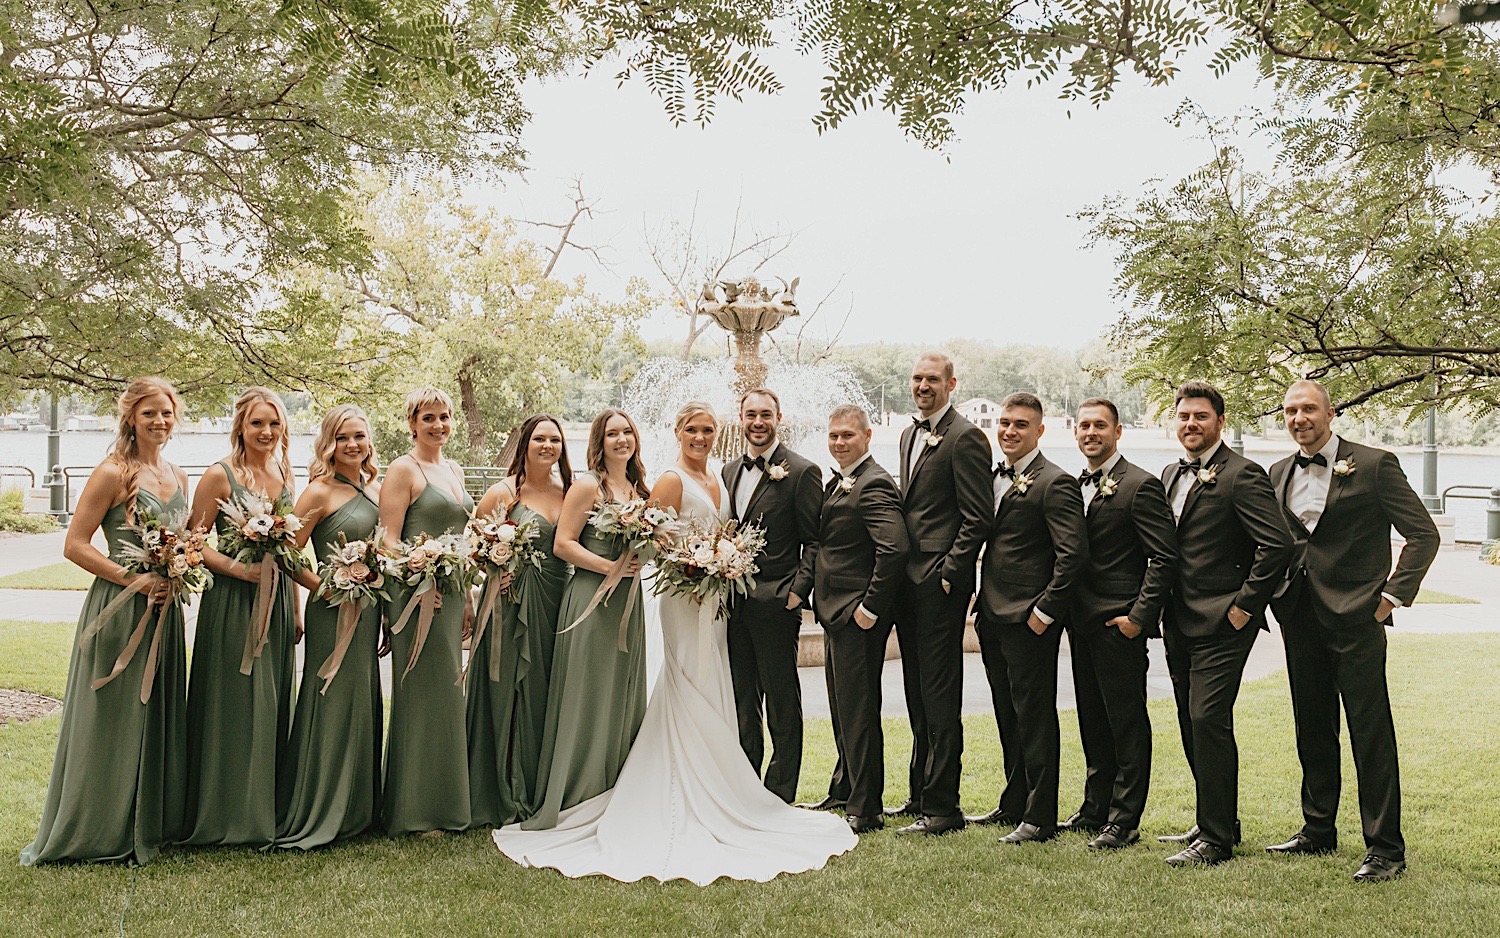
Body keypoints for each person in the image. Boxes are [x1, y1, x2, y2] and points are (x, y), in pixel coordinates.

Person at [493, 402, 856, 884]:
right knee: (688, 680)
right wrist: (693, 563)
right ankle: (681, 785)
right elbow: (656, 545)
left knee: (717, 682)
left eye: (708, 429)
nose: (701, 436)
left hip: (716, 599)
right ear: (677, 431)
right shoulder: (667, 480)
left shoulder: (721, 477)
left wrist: (721, 561)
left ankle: (726, 781)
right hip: (686, 600)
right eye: (692, 428)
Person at [1265, 379, 1438, 882]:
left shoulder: (1375, 464)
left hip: (1359, 617)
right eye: (1291, 411)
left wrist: (1390, 596)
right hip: (1299, 615)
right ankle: (1318, 829)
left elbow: (1422, 534)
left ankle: (1385, 848)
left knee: (1370, 732)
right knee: (1312, 726)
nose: (1300, 418)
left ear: (1330, 412)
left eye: (1309, 409)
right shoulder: (1277, 472)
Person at [21, 377, 191, 865]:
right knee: (111, 718)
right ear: (130, 418)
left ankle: (149, 821)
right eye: (149, 414)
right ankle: (97, 827)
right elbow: (74, 544)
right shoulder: (113, 472)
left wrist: (180, 566)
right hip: (119, 609)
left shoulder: (177, 473)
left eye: (166, 413)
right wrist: (131, 579)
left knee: (155, 711)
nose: (159, 421)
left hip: (165, 610)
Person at [1158, 381, 1292, 867]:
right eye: (1183, 416)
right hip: (1176, 619)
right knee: (1190, 721)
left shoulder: (1242, 474)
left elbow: (1275, 545)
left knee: (1208, 718)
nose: (1190, 423)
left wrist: (1244, 607)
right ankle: (1216, 818)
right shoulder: (1171, 473)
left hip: (1223, 622)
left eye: (1200, 416)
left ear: (1219, 420)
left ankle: (1217, 841)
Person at [517, 409, 650, 830]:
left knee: (619, 692)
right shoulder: (588, 485)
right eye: (612, 433)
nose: (621, 439)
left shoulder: (638, 489)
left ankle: (614, 785)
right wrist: (608, 567)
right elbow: (563, 544)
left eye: (627, 432)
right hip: (592, 599)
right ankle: (578, 792)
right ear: (600, 441)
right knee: (587, 692)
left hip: (628, 602)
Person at [184, 386, 300, 847]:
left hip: (277, 604)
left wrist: (295, 609)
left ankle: (262, 807)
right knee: (231, 701)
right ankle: (224, 811)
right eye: (257, 423)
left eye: (274, 423)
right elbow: (193, 543)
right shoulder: (219, 475)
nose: (266, 432)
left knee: (269, 700)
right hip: (232, 603)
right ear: (240, 427)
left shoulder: (285, 472)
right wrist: (238, 570)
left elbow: (288, 547)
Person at [973, 392, 1088, 844]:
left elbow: (1072, 555)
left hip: (1029, 620)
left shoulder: (1054, 482)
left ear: (1039, 431)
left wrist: (1045, 611)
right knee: (1007, 712)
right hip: (991, 614)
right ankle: (1015, 800)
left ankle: (1040, 816)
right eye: (1004, 422)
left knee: (1035, 715)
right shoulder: (992, 477)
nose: (1009, 431)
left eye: (1020, 424)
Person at [1065, 397, 1178, 849]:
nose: (1091, 433)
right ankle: (1095, 807)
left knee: (1125, 722)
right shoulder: (1075, 485)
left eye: (1100, 426)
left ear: (1117, 432)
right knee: (1092, 719)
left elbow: (1164, 557)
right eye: (1084, 426)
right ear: (1075, 432)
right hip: (1081, 622)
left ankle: (1125, 819)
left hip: (1119, 624)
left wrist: (1138, 618)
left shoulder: (1140, 485)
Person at [890, 352, 993, 836]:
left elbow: (978, 516)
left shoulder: (966, 436)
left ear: (952, 383)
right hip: (907, 585)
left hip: (938, 586)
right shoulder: (911, 433)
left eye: (932, 379)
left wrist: (949, 573)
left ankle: (944, 808)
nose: (923, 385)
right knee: (916, 691)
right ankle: (919, 793)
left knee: (939, 693)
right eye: (917, 378)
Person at [275, 404, 383, 850]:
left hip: (371, 607)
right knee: (330, 696)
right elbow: (286, 551)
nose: (352, 445)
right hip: (332, 609)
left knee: (363, 696)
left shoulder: (378, 488)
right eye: (342, 438)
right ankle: (318, 805)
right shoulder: (318, 491)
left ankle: (359, 807)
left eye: (359, 436)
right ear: (328, 445)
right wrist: (324, 586)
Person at [467, 414, 572, 828]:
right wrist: (493, 572)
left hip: (555, 604)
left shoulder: (569, 494)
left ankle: (538, 783)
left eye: (555, 440)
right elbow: (470, 546)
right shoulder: (503, 493)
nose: (548, 446)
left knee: (545, 690)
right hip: (509, 606)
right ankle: (497, 790)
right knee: (505, 687)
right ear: (524, 444)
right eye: (540, 439)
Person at [378, 387, 474, 836]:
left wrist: (468, 597)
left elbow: (463, 539)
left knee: (447, 695)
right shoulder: (403, 469)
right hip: (416, 595)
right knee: (422, 695)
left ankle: (444, 802)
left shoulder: (452, 468)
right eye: (429, 417)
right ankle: (414, 810)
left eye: (445, 417)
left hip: (452, 595)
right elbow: (388, 539)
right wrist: (418, 580)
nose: (438, 425)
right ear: (412, 422)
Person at [811, 405, 909, 833]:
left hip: (856, 615)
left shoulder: (873, 484)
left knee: (860, 710)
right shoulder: (842, 480)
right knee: (842, 706)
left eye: (847, 435)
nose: (838, 442)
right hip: (836, 615)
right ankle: (845, 786)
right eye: (833, 436)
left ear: (867, 436)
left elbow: (895, 548)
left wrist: (869, 607)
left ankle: (866, 808)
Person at [721, 389, 821, 803]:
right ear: (740, 418)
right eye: (750, 415)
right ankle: (747, 787)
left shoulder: (802, 471)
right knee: (743, 699)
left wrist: (796, 594)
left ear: (779, 416)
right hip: (732, 605)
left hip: (777, 603)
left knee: (781, 700)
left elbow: (815, 542)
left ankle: (781, 791)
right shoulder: (727, 472)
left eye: (765, 414)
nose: (758, 422)